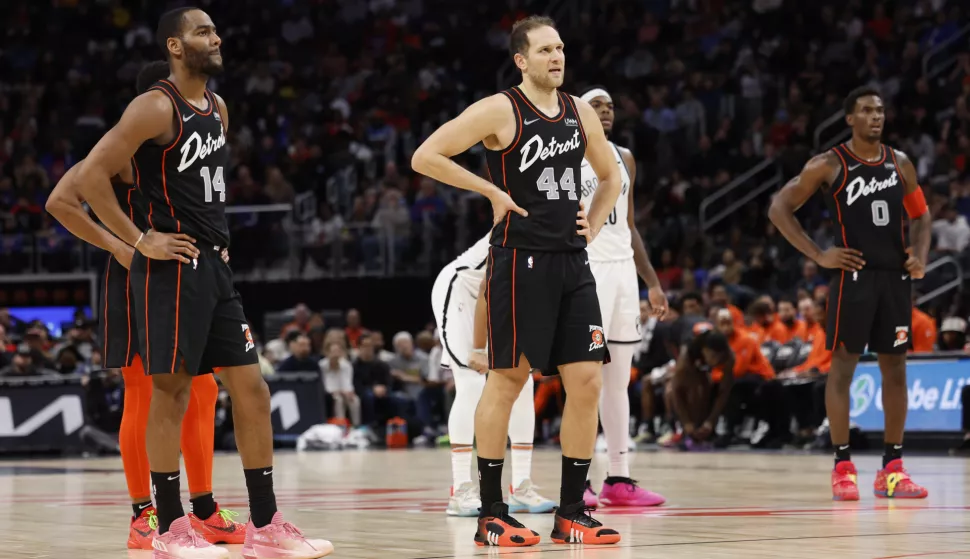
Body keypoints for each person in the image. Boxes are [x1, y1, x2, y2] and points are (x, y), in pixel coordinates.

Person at [73, 7, 331, 558]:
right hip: (168, 270)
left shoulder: (217, 108)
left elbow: (202, 188)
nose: (214, 38)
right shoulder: (153, 105)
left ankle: (265, 525)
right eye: (201, 32)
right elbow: (90, 177)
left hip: (214, 267)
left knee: (252, 390)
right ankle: (169, 529)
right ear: (174, 45)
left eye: (215, 30)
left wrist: (217, 235)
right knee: (169, 393)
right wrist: (139, 240)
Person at [412, 15, 622, 547]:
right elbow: (426, 156)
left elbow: (612, 173)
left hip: (573, 262)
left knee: (588, 382)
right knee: (507, 380)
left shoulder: (579, 112)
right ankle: (491, 511)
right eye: (546, 50)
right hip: (518, 259)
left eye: (562, 48)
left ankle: (572, 510)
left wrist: (593, 223)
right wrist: (489, 190)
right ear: (522, 60)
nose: (558, 57)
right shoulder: (500, 109)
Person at [46, 60, 246, 551]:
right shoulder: (127, 141)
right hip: (138, 276)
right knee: (143, 392)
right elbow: (60, 201)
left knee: (201, 392)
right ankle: (144, 512)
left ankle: (202, 508)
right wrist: (122, 243)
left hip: (189, 274)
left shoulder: (201, 130)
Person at [768, 85, 931, 501]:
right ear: (850, 119)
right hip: (852, 278)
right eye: (866, 110)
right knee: (842, 369)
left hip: (894, 280)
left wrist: (921, 255)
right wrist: (818, 254)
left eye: (880, 110)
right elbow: (779, 208)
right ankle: (843, 466)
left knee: (896, 369)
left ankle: (892, 470)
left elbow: (922, 216)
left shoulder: (902, 164)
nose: (876, 117)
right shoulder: (829, 164)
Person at [575, 86, 667, 508]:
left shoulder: (625, 157)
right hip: (585, 271)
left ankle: (619, 478)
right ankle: (579, 480)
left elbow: (629, 226)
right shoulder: (566, 153)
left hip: (623, 274)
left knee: (618, 384)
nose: (606, 111)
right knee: (584, 381)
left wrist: (652, 282)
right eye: (597, 105)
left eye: (611, 105)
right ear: (579, 111)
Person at [431, 234, 556, 516]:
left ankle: (521, 487)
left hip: (504, 297)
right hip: (463, 289)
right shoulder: (525, 218)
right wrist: (478, 348)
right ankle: (460, 490)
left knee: (521, 382)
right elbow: (488, 288)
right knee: (472, 384)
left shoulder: (568, 233)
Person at [669, 321, 735, 451]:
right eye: (713, 355)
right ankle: (681, 430)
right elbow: (676, 392)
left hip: (703, 366)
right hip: (687, 358)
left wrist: (711, 421)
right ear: (704, 350)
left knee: (713, 389)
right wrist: (687, 422)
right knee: (694, 390)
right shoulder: (686, 357)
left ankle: (706, 430)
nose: (716, 360)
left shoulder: (729, 356)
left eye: (719, 357)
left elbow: (724, 391)